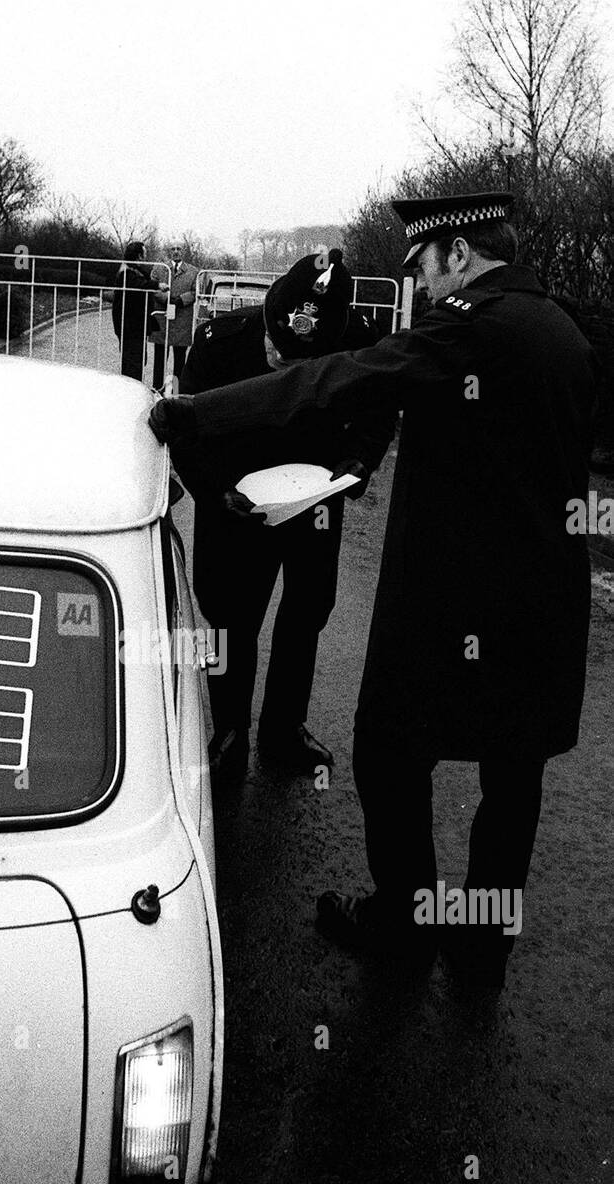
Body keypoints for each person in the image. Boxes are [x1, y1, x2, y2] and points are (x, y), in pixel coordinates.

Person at [150, 192, 600, 984]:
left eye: (423, 265)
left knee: (390, 754)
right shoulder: (564, 327)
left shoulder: (470, 326)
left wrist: (198, 413)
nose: (421, 286)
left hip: (452, 604)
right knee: (513, 774)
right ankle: (482, 950)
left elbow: (342, 379)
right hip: (546, 608)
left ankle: (403, 925)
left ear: (459, 253)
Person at [172, 254, 393, 775]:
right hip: (236, 499)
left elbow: (379, 408)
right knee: (230, 617)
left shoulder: (360, 344)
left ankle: (282, 730)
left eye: (295, 363)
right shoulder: (219, 343)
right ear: (268, 314)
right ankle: (228, 731)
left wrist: (358, 460)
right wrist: (215, 491)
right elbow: (185, 429)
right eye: (275, 342)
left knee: (305, 613)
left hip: (313, 500)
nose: (278, 357)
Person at [150, 242, 198, 388]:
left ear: (183, 251)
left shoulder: (193, 271)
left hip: (182, 319)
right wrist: (168, 299)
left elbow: (196, 291)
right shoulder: (159, 269)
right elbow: (152, 288)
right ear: (169, 252)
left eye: (179, 249)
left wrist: (180, 300)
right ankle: (157, 389)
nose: (176, 252)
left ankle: (177, 391)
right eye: (173, 249)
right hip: (162, 319)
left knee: (180, 359)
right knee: (160, 358)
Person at [111, 241, 156, 381]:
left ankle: (133, 385)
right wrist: (157, 285)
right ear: (139, 255)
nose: (146, 255)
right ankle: (131, 389)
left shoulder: (134, 270)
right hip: (130, 325)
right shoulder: (127, 272)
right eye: (144, 253)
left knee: (138, 359)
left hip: (135, 325)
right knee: (132, 361)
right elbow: (139, 286)